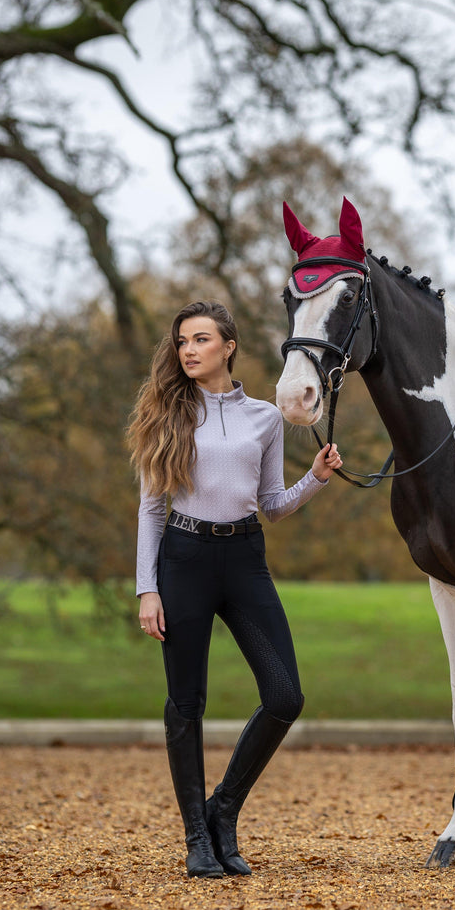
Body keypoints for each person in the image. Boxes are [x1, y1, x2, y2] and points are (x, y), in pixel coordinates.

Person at [126, 300, 342, 878]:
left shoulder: (265, 418)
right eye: (182, 342)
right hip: (184, 559)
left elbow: (272, 504)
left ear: (229, 346)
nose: (188, 350)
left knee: (285, 696)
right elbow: (151, 509)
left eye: (200, 339)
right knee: (186, 703)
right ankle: (197, 837)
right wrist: (148, 589)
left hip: (245, 559)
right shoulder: (166, 414)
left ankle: (222, 810)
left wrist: (316, 478)